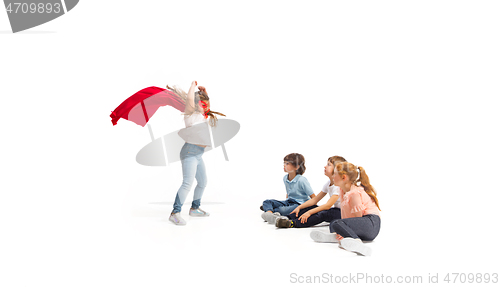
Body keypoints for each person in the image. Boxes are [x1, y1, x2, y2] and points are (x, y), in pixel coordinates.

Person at [167, 81, 225, 225]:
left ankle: (194, 208)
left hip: (198, 154)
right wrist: (192, 87)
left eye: (207, 105)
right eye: (203, 104)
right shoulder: (190, 115)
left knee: (203, 182)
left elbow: (205, 104)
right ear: (194, 104)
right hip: (189, 152)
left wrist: (205, 93)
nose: (207, 108)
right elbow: (191, 103)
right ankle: (175, 213)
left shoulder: (202, 115)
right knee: (187, 183)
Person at [310, 162, 381, 256]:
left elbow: (357, 218)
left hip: (371, 224)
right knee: (334, 224)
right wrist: (343, 228)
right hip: (364, 227)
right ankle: (337, 236)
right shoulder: (343, 191)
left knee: (337, 223)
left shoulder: (354, 193)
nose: (332, 176)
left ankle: (357, 242)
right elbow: (346, 216)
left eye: (335, 174)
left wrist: (345, 227)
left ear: (344, 178)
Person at [275, 156, 346, 228]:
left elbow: (328, 205)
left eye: (328, 165)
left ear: (337, 169)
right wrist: (300, 207)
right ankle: (287, 218)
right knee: (311, 207)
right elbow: (315, 199)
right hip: (336, 210)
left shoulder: (338, 186)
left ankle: (293, 223)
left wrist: (309, 212)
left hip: (343, 214)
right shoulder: (328, 183)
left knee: (324, 213)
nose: (325, 166)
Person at [261, 153, 316, 224]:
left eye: (287, 163)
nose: (284, 165)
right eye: (284, 163)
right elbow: (288, 192)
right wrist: (284, 203)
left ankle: (270, 211)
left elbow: (314, 198)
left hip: (299, 204)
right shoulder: (285, 178)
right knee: (267, 202)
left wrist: (308, 209)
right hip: (289, 201)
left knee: (282, 210)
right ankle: (270, 214)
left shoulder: (301, 180)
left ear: (296, 167)